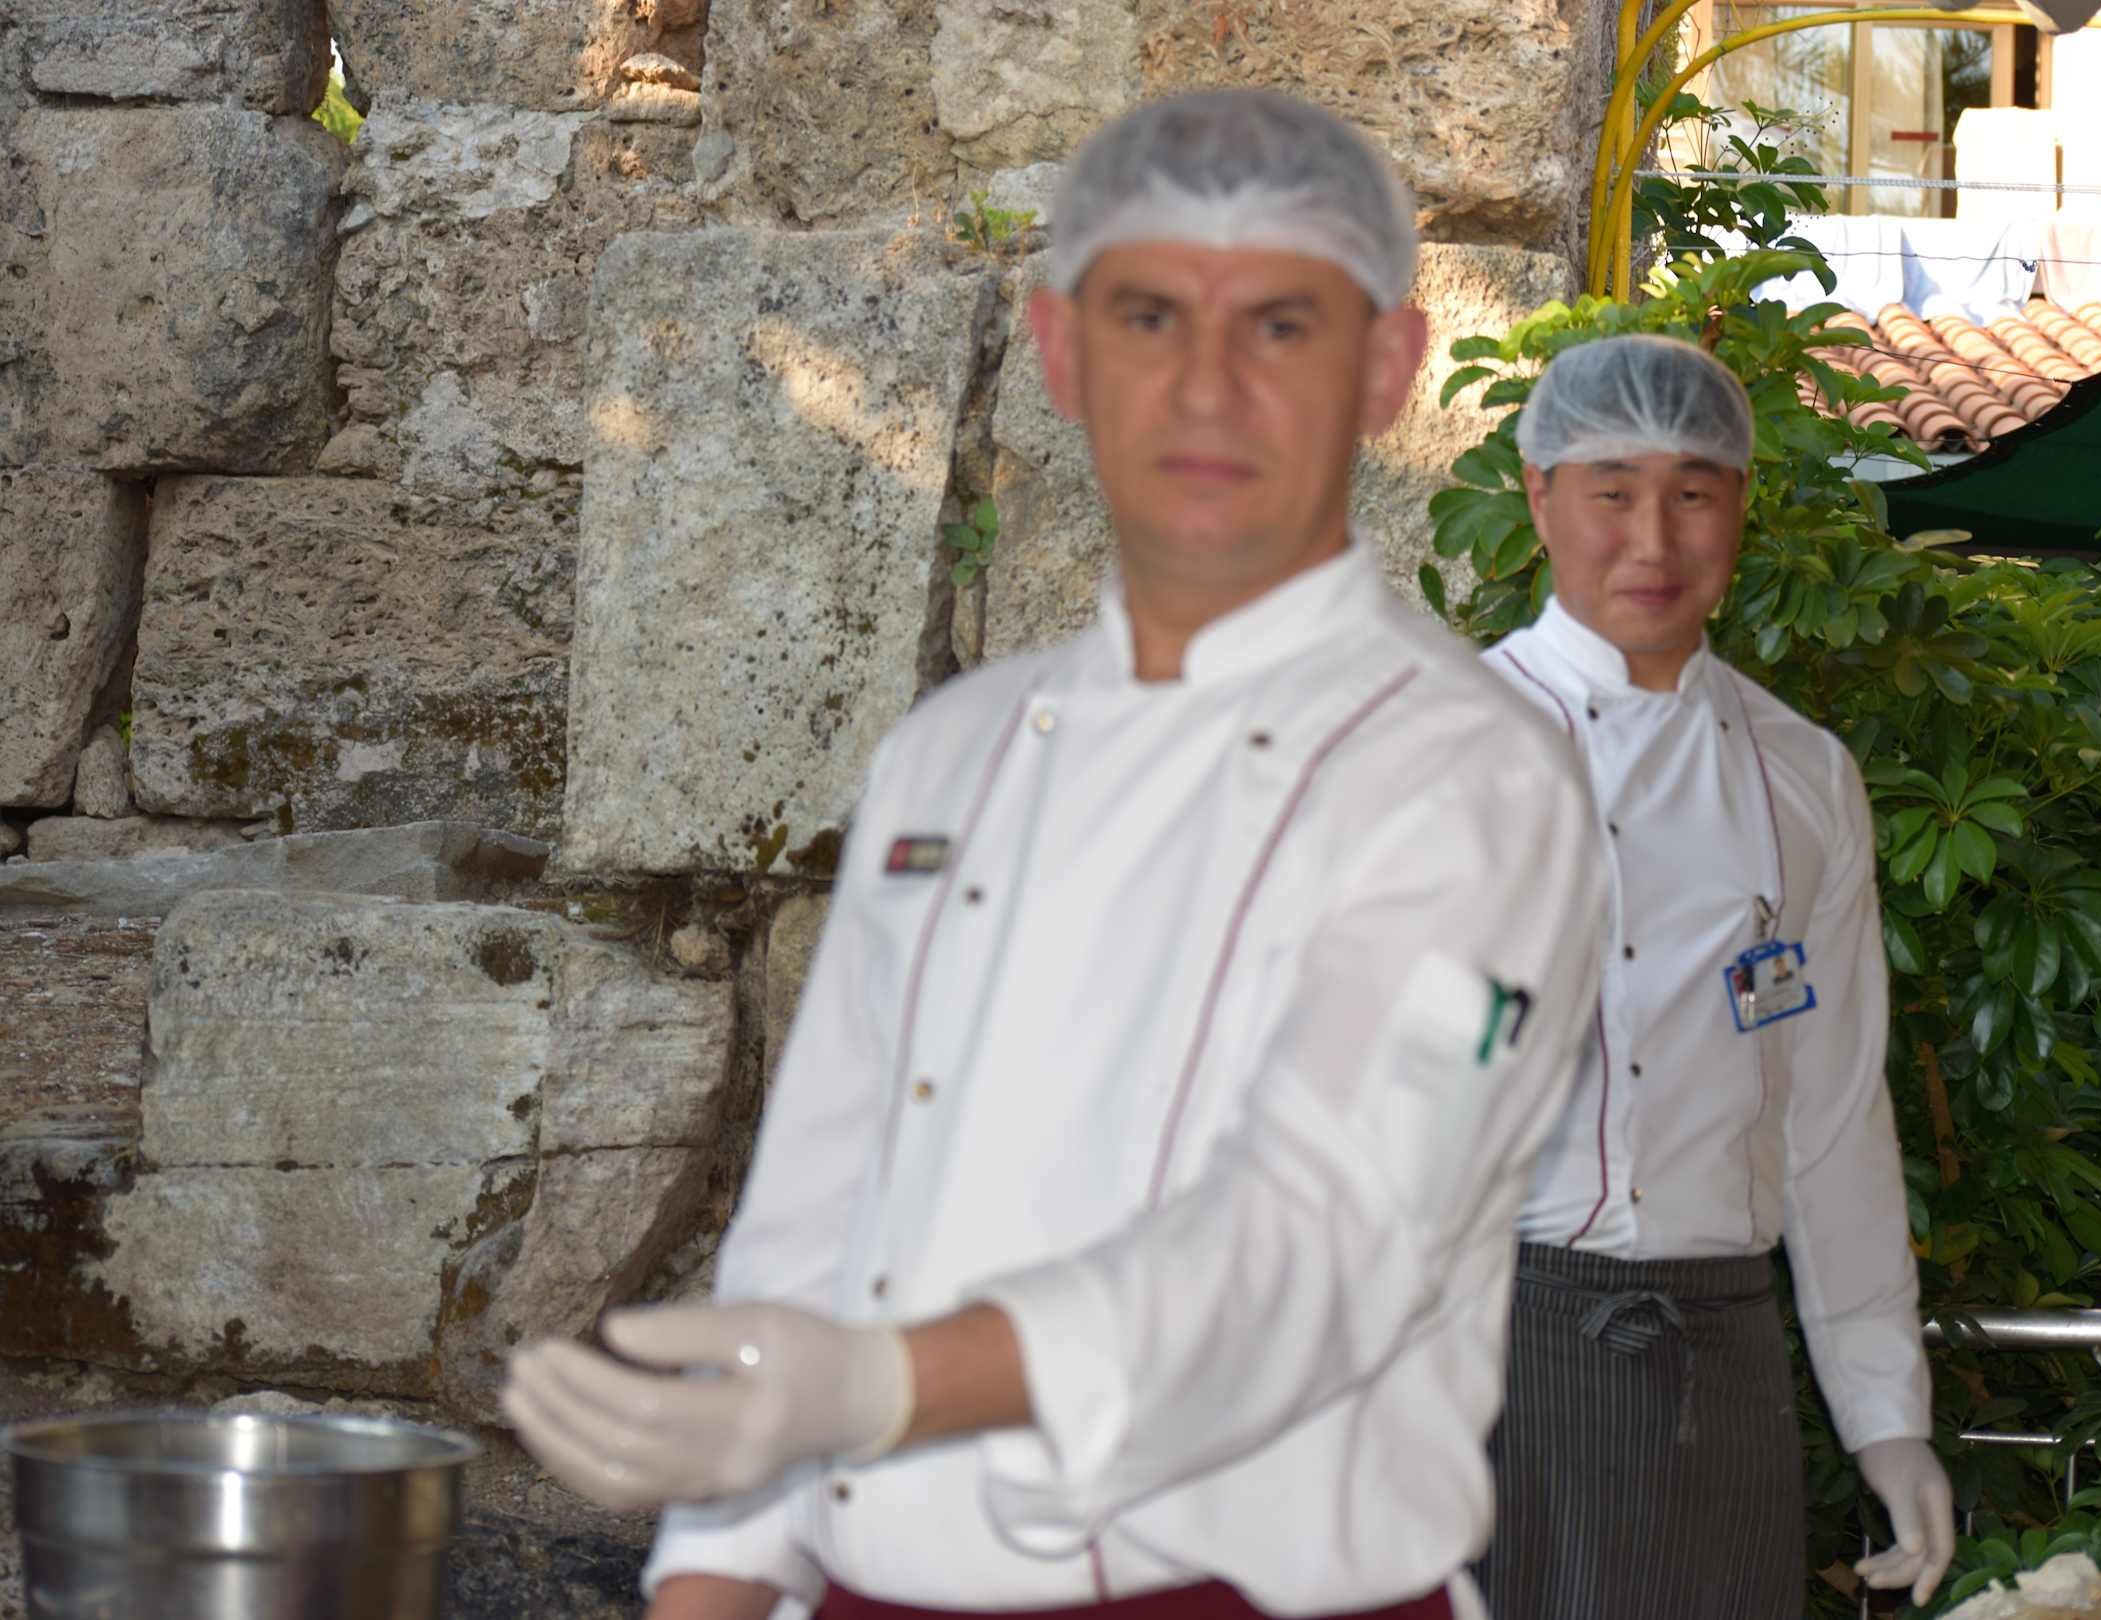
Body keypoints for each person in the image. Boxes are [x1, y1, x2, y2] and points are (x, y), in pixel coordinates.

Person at [501, 90, 1611, 1620]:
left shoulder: (1473, 778)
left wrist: (876, 1387)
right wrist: (714, 1574)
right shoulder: (948, 754)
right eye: (1149, 318)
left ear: (1386, 368)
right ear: (1061, 353)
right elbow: (811, 1228)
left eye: (1279, 326)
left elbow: (1328, 1244)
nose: (1207, 388)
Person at [1471, 334, 1956, 1618]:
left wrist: (1886, 1415)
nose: (1654, 540)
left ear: (1740, 505)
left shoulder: (1803, 775)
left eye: (1692, 493)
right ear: (1539, 497)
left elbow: (1833, 1119)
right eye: (1611, 491)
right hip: (1472, 1354)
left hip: (1723, 1354)